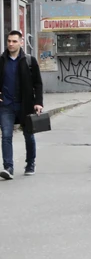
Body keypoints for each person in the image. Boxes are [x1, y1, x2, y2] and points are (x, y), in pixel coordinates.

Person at [0, 30, 43, 180]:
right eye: (9, 41)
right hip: (6, 105)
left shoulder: (29, 61)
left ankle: (30, 163)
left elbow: (38, 84)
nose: (11, 44)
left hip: (26, 104)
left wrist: (38, 102)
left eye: (14, 41)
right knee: (6, 136)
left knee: (28, 135)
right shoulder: (2, 60)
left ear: (21, 42)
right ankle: (8, 167)